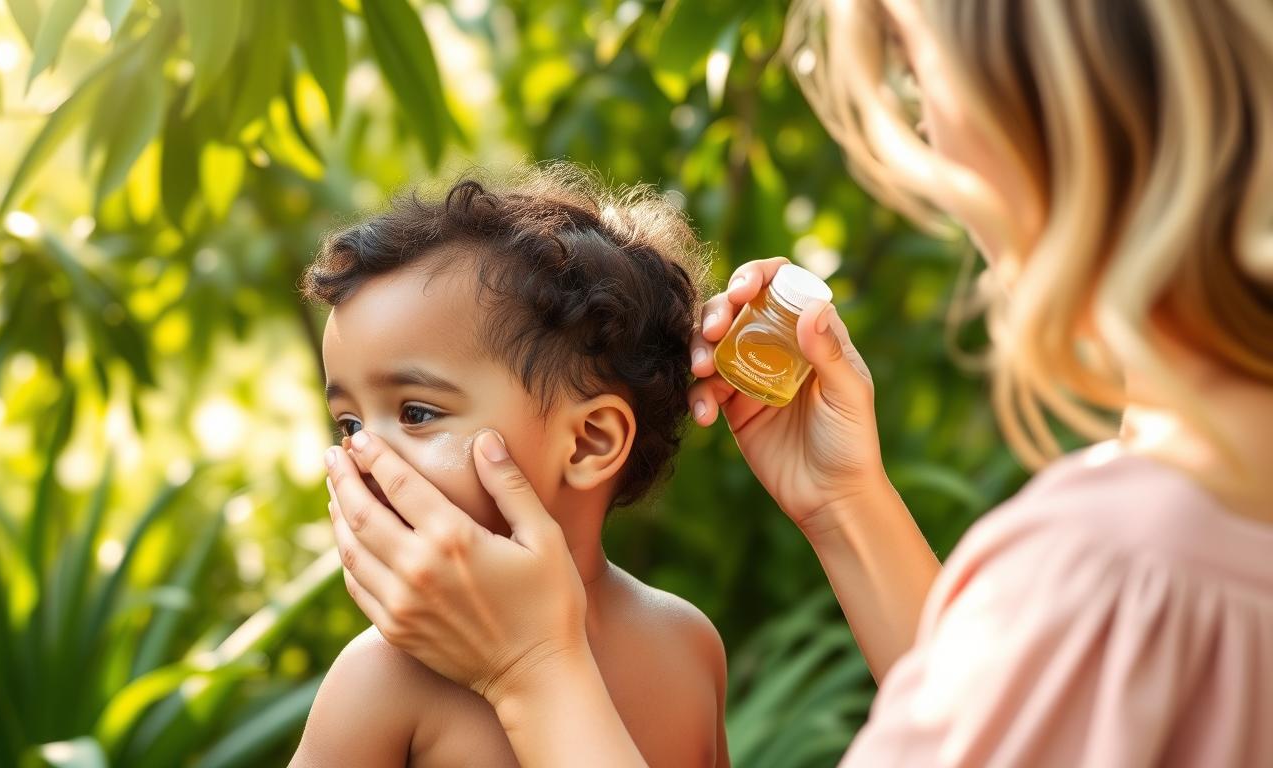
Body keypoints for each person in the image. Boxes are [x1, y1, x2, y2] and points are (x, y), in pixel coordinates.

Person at [326, 0, 1273, 764]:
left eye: (919, 75)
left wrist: (534, 671)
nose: (926, 134)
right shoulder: (1189, 547)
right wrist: (843, 504)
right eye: (346, 421)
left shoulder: (1126, 573)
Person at [290, 166, 730, 767]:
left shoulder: (687, 647)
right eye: (351, 424)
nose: (364, 456)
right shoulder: (382, 680)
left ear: (587, 443)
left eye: (416, 413)